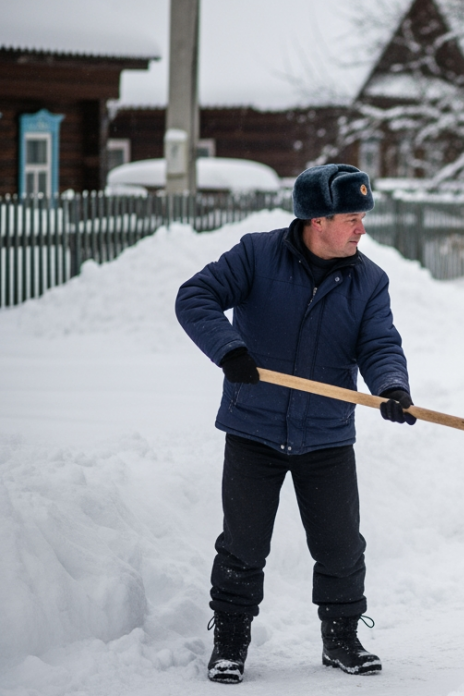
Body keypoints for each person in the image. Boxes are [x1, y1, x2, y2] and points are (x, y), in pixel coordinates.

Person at [176, 164, 418, 683]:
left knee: (340, 544)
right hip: (253, 429)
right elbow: (194, 298)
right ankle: (231, 642)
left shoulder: (369, 280)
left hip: (326, 435)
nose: (362, 229)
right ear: (317, 220)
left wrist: (392, 388)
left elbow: (378, 343)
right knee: (243, 543)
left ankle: (341, 639)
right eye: (352, 217)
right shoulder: (256, 256)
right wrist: (229, 349)